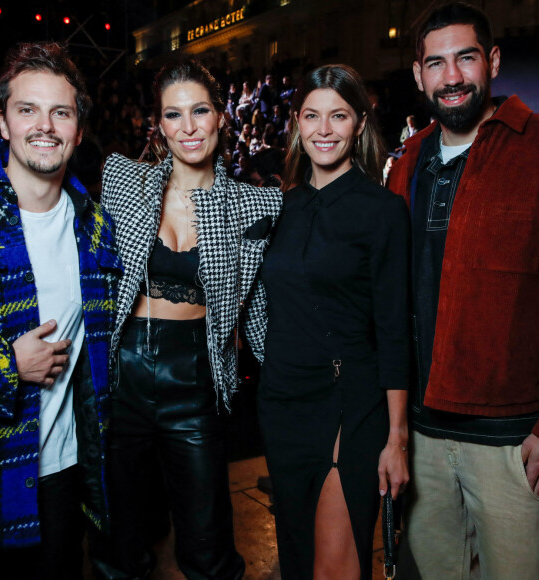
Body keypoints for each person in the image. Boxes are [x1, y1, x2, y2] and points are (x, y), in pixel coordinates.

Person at [100, 60, 283, 580]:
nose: (188, 126)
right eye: (173, 115)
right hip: (123, 378)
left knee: (208, 547)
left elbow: (261, 309)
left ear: (221, 117)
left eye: (200, 110)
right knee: (122, 544)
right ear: (158, 125)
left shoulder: (255, 204)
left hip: (197, 380)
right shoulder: (122, 180)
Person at [386, 3, 539, 578]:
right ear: (420, 74)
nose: (451, 77)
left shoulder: (533, 149)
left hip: (509, 443)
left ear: (493, 61)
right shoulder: (406, 162)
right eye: (436, 63)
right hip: (421, 438)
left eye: (466, 58)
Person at [0, 42, 121, 579]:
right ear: (2, 121)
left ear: (77, 130)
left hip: (63, 477)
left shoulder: (94, 225)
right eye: (28, 109)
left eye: (62, 112)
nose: (44, 125)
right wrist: (8, 366)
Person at [258, 64, 411, 580]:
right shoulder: (282, 206)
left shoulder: (383, 211)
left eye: (339, 116)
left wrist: (396, 437)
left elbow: (394, 329)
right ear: (297, 124)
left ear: (359, 125)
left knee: (335, 569)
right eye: (312, 115)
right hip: (281, 406)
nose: (324, 129)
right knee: (298, 563)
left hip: (348, 405)